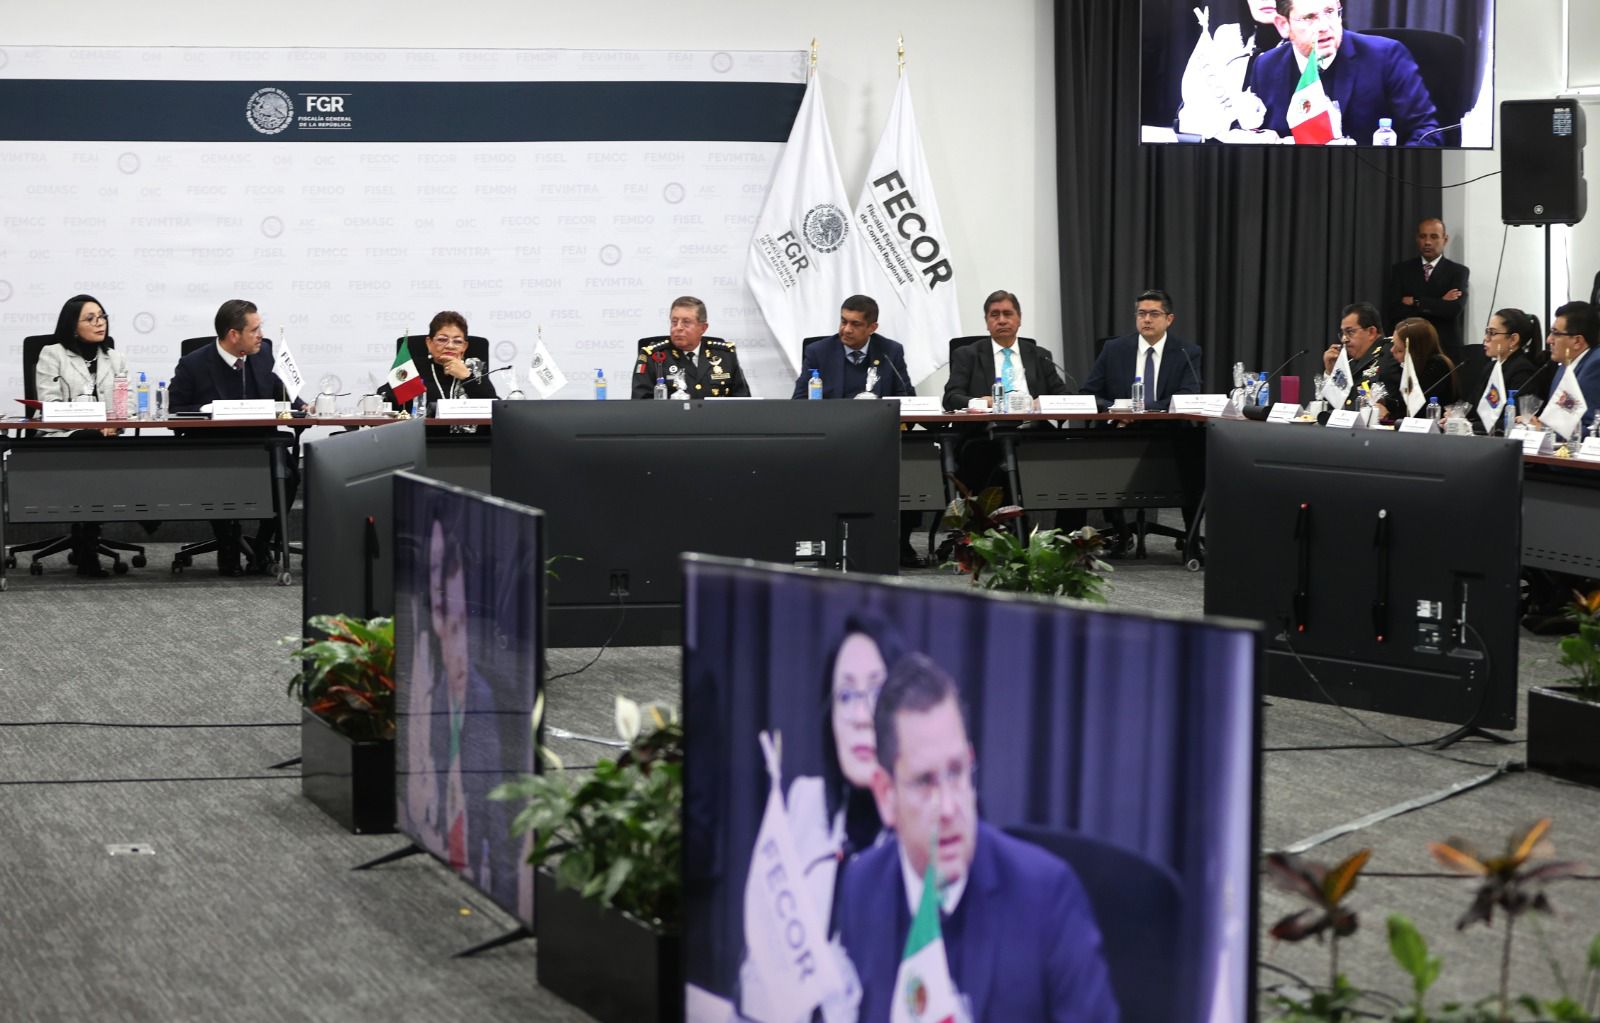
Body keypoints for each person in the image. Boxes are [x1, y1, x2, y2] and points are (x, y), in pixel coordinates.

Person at [835, 653, 1119, 1022]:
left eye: (956, 772)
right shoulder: (861, 887)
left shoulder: (1048, 899)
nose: (948, 808)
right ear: (886, 795)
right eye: (924, 782)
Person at [167, 299, 299, 575]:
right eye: (254, 330)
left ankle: (262, 544)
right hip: (214, 449)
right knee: (218, 475)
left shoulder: (264, 355)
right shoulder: (193, 364)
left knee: (289, 474)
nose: (261, 335)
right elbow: (175, 410)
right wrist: (206, 409)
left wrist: (304, 406)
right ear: (233, 335)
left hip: (261, 446)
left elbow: (283, 394)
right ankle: (226, 543)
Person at [1246, 0, 1440, 146]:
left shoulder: (1385, 57)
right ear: (1283, 25)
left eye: (1330, 12)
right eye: (1309, 18)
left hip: (1366, 181)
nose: (1324, 26)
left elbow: (1426, 133)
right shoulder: (1266, 66)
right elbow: (1251, 131)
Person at [34, 294, 126, 575]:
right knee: (93, 445)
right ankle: (89, 542)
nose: (100, 323)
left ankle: (88, 538)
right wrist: (92, 426)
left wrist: (114, 424)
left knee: (112, 449)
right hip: (63, 436)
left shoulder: (115, 358)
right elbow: (50, 404)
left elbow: (128, 405)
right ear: (73, 327)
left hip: (104, 438)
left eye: (102, 316)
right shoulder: (53, 354)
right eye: (91, 318)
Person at [942, 290, 1068, 411]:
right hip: (986, 425)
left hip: (1032, 425)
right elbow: (950, 398)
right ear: (986, 321)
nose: (1002, 321)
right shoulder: (967, 355)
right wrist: (981, 403)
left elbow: (1063, 396)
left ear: (1019, 319)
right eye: (994, 315)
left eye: (1007, 314)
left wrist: (1043, 402)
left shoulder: (1040, 356)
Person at [1081, 289, 1202, 411]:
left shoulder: (1186, 352)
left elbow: (1188, 395)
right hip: (1119, 421)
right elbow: (1089, 394)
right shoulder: (1113, 349)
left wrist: (1141, 410)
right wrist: (1118, 410)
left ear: (1169, 319)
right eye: (1141, 314)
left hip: (1168, 421)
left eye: (1154, 314)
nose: (1147, 319)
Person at [789, 295, 911, 399]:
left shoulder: (890, 352)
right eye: (844, 322)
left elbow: (907, 398)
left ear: (872, 328)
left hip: (878, 419)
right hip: (832, 419)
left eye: (855, 324)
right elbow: (799, 401)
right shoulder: (818, 352)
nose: (847, 329)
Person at [1383, 218, 1469, 364]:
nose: (1427, 242)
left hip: (1445, 348)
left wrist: (1416, 301)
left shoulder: (1458, 272)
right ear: (1417, 239)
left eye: (1434, 236)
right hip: (1409, 348)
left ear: (1445, 239)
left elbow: (1453, 309)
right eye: (1423, 236)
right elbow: (1395, 311)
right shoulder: (1401, 270)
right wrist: (1439, 302)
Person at [632, 296, 750, 399]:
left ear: (703, 328)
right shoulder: (653, 356)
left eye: (686, 322)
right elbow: (641, 404)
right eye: (674, 321)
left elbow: (743, 401)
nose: (678, 327)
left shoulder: (725, 355)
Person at [378, 311, 498, 411]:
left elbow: (495, 407)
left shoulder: (474, 368)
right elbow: (384, 399)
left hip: (470, 432)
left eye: (457, 341)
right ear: (429, 343)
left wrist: (467, 377)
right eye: (442, 340)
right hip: (423, 431)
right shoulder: (414, 367)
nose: (450, 346)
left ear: (464, 346)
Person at [1465, 308, 1541, 433]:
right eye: (1487, 332)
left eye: (1492, 333)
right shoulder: (1490, 367)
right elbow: (1472, 406)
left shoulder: (1523, 371)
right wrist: (1456, 417)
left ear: (1513, 339)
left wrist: (1469, 426)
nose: (1486, 338)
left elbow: (1513, 420)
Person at [1533, 300, 1600, 439]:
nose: (1549, 340)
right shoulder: (1565, 365)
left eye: (1555, 333)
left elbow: (1593, 429)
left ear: (1577, 341)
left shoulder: (1596, 365)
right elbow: (1558, 419)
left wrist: (1543, 430)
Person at [1321, 301, 1396, 411]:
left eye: (1350, 332)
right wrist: (1331, 373)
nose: (1344, 339)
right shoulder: (1350, 363)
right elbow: (1329, 410)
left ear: (1371, 332)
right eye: (1343, 333)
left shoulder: (1391, 353)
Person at [1383, 316, 1458, 418]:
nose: (1392, 350)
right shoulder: (1406, 366)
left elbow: (1417, 409)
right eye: (1393, 344)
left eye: (1399, 350)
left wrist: (1388, 412)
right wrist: (1384, 403)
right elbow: (1402, 402)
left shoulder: (1437, 366)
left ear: (1415, 351)